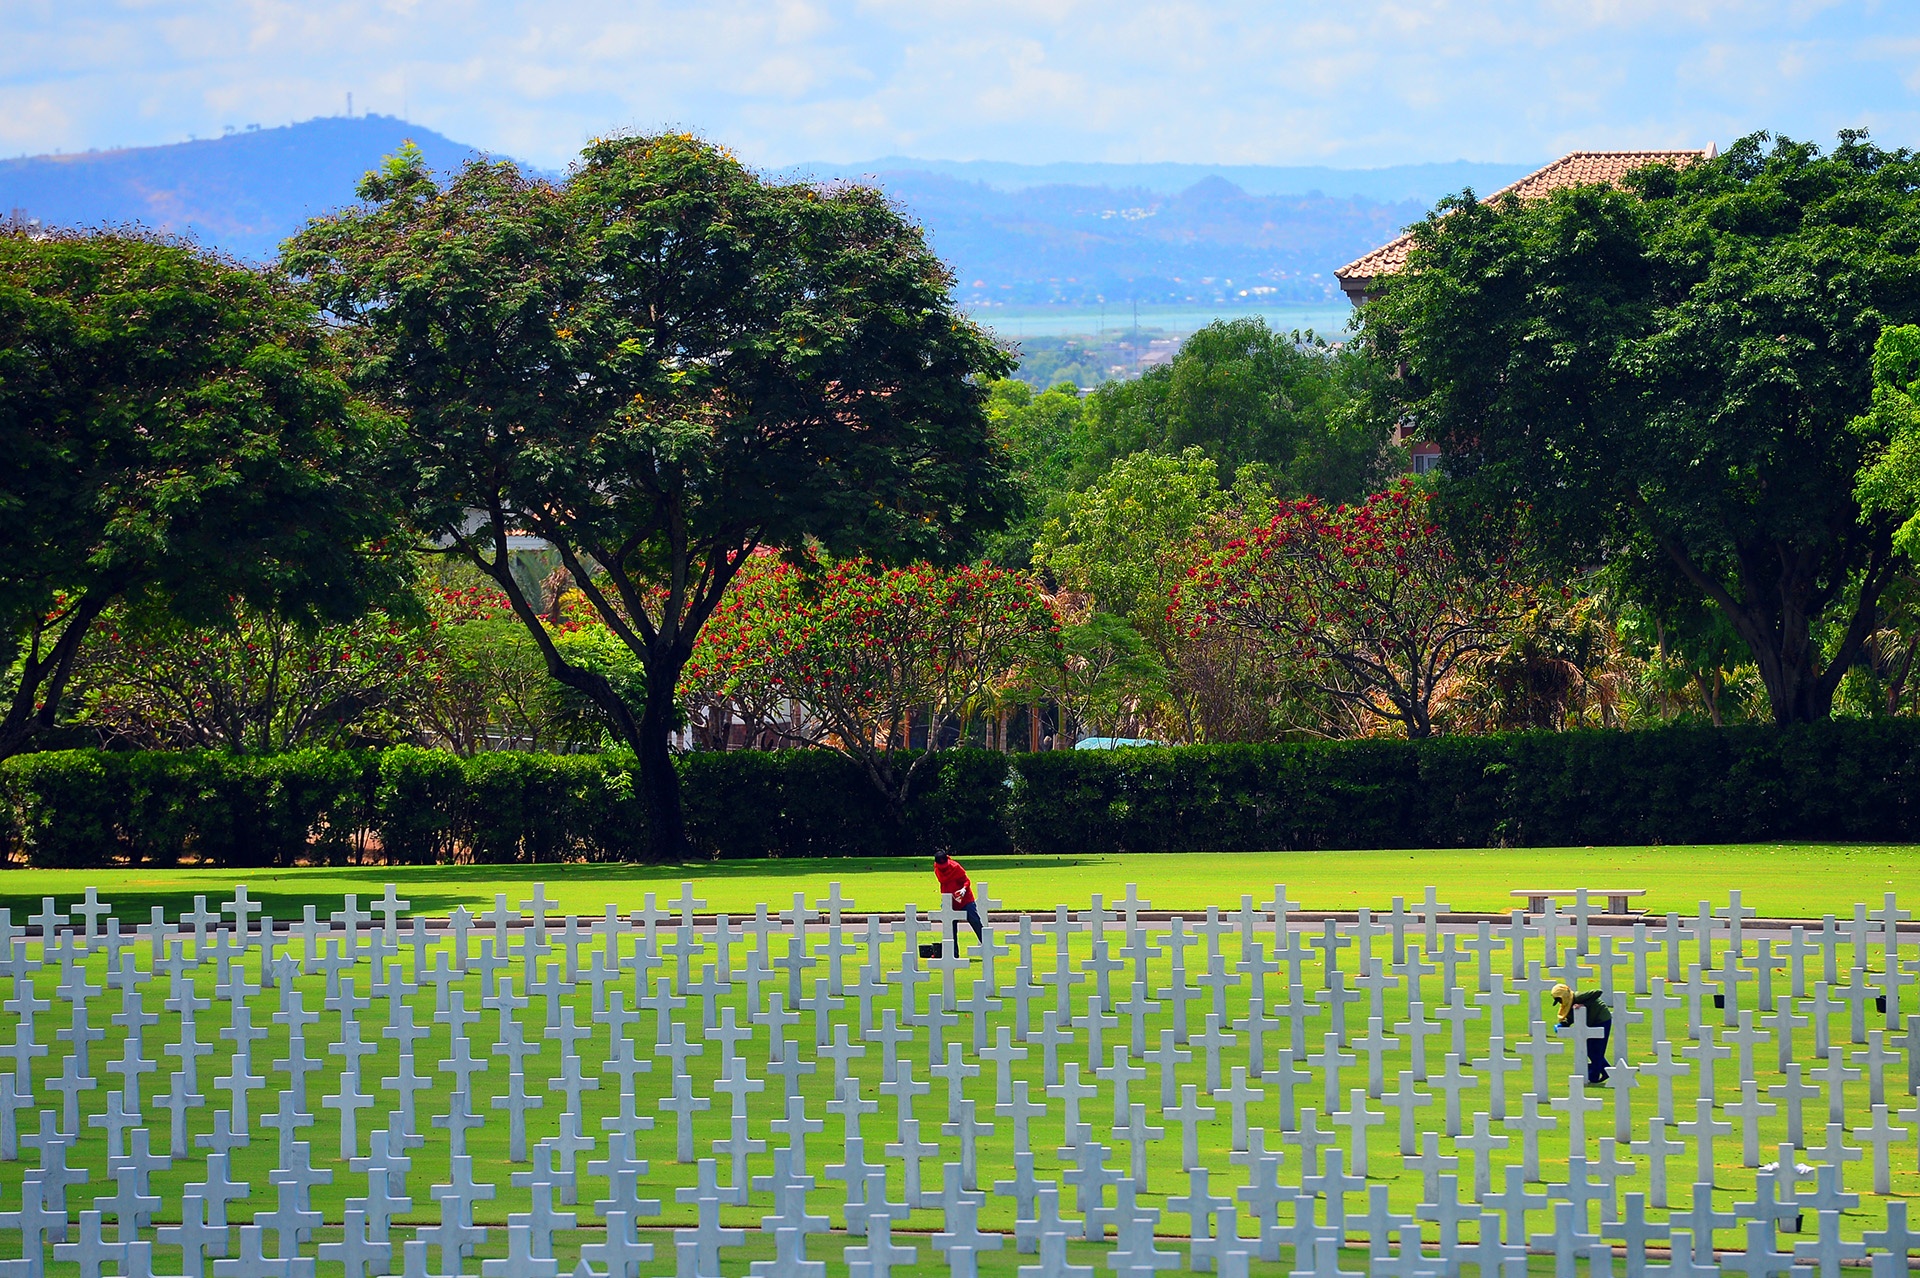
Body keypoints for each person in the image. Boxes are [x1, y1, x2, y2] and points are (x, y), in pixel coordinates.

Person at [1552, 981, 1612, 1083]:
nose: (1560, 1003)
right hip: (1591, 1023)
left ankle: (1595, 1076)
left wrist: (1583, 1004)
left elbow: (1598, 992)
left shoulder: (1578, 996)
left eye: (1559, 1000)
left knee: (1596, 1050)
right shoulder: (1568, 1004)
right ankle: (1606, 1071)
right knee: (1589, 1050)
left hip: (1602, 1019)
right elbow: (1571, 1017)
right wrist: (1562, 1025)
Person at [932, 852, 983, 953]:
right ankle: (954, 954)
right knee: (950, 928)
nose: (943, 869)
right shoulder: (937, 869)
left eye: (945, 866)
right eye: (941, 867)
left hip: (964, 899)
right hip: (949, 900)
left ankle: (987, 945)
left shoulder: (955, 867)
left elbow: (966, 881)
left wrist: (964, 889)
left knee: (975, 921)